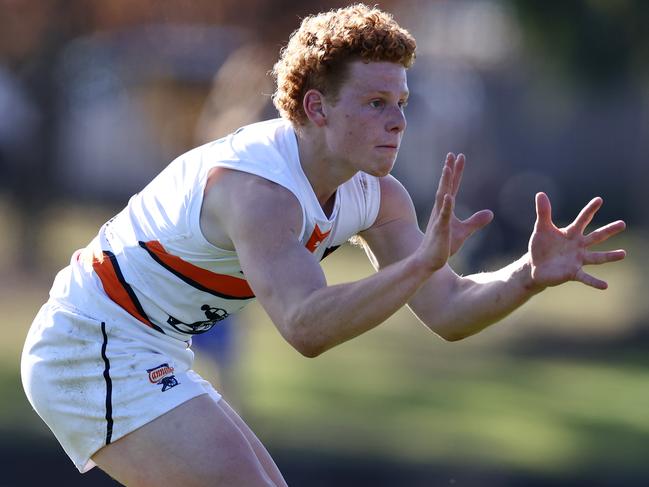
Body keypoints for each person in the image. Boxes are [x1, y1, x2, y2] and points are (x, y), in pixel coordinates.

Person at [21, 4, 626, 486]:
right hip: (87, 343)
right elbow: (306, 328)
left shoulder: (376, 196)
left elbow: (447, 310)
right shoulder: (260, 191)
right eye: (375, 103)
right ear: (316, 106)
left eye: (401, 104)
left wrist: (527, 273)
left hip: (149, 348)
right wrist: (418, 264)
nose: (397, 122)